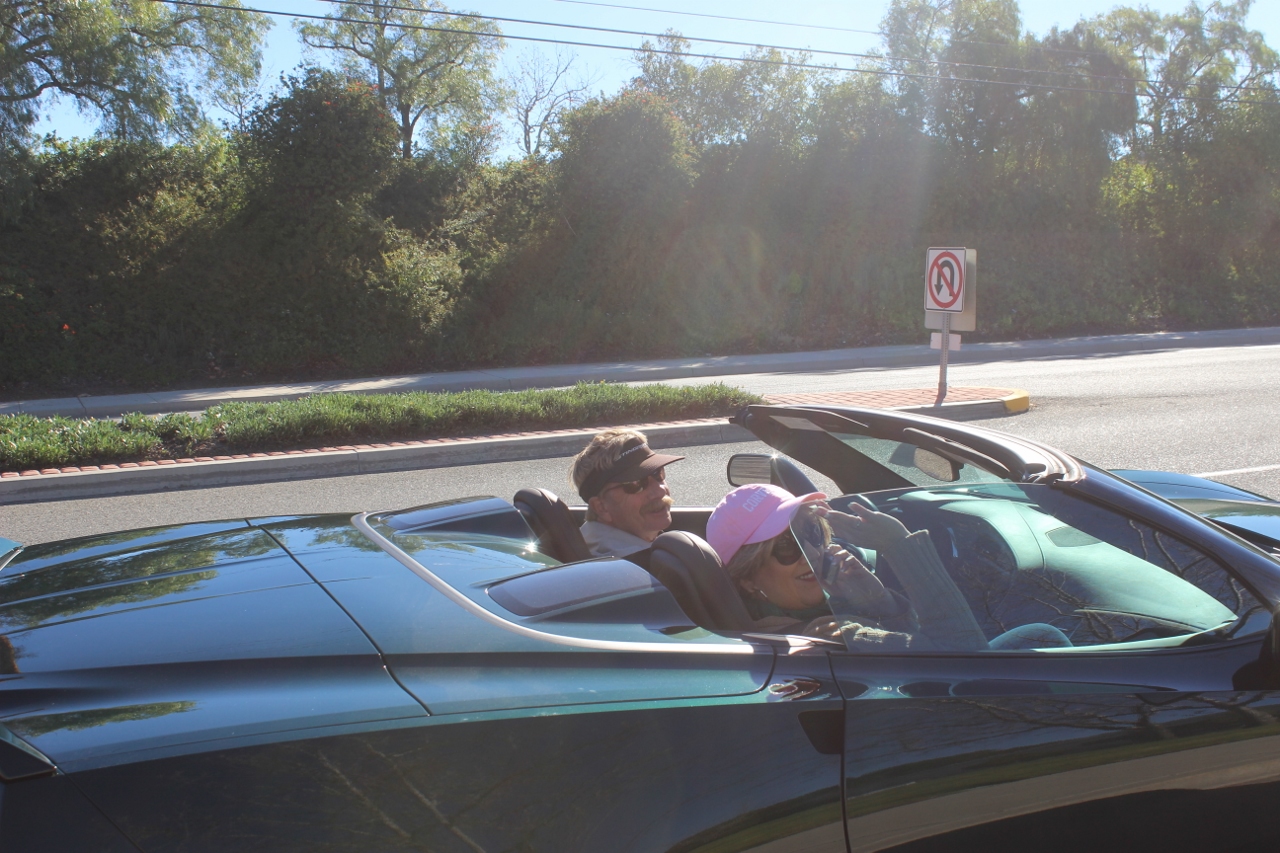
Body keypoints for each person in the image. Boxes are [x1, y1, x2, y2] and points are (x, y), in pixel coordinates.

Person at [706, 484, 990, 651]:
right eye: (786, 546)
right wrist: (899, 545)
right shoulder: (829, 634)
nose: (813, 552)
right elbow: (967, 656)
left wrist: (879, 602)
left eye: (812, 532)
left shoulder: (816, 617)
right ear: (748, 579)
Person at [570, 429, 684, 561]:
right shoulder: (637, 568)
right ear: (601, 507)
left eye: (657, 473)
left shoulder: (585, 544)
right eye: (636, 484)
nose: (660, 491)